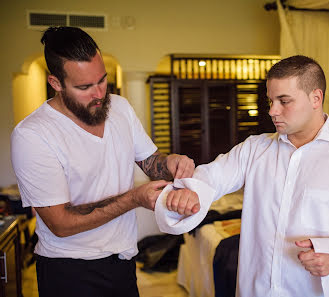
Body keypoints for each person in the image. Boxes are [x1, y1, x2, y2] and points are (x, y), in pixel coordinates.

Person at [161, 55, 329, 297]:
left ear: (316, 98)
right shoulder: (254, 149)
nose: (272, 111)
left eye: (284, 101)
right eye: (270, 101)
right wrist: (189, 191)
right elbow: (211, 176)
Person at [10, 26, 199, 297]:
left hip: (122, 260)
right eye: (85, 87)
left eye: (102, 80)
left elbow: (150, 162)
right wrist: (134, 198)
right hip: (69, 271)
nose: (99, 93)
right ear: (56, 83)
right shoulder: (33, 135)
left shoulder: (120, 107)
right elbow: (60, 223)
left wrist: (170, 163)